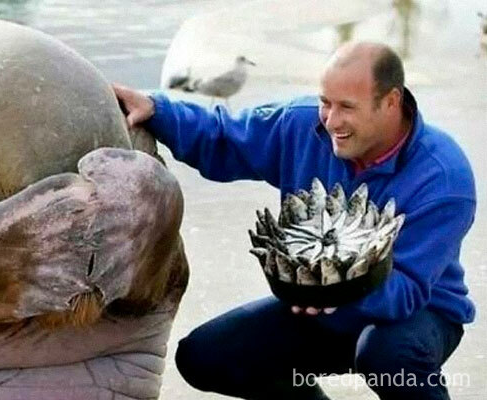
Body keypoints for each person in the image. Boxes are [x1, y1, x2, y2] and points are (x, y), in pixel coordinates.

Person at [113, 42, 476, 400]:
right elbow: (225, 138)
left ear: (391, 102)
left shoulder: (444, 178)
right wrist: (156, 110)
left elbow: (408, 290)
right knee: (204, 357)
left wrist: (334, 292)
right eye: (325, 102)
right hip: (320, 303)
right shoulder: (302, 125)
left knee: (384, 356)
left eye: (347, 107)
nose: (331, 122)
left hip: (419, 314)